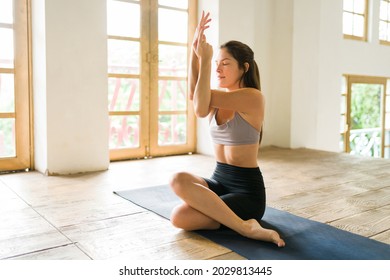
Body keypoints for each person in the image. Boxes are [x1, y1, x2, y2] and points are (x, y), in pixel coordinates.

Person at [169, 11, 285, 247]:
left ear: (244, 67)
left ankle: (246, 227)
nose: (218, 69)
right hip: (220, 182)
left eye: (225, 63)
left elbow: (200, 108)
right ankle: (241, 224)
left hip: (246, 193)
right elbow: (195, 97)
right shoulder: (218, 98)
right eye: (216, 64)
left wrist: (204, 60)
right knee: (178, 181)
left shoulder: (253, 97)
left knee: (181, 216)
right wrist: (194, 54)